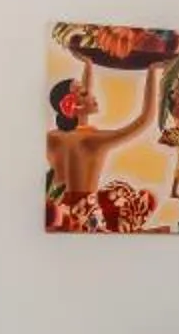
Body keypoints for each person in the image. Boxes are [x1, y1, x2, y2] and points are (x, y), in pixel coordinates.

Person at [45, 67, 162, 231]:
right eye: (85, 94)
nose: (92, 95)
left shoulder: (52, 138)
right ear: (73, 105)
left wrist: (88, 64)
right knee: (138, 200)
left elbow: (79, 116)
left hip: (58, 210)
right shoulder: (93, 140)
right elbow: (144, 119)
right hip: (86, 217)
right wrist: (152, 72)